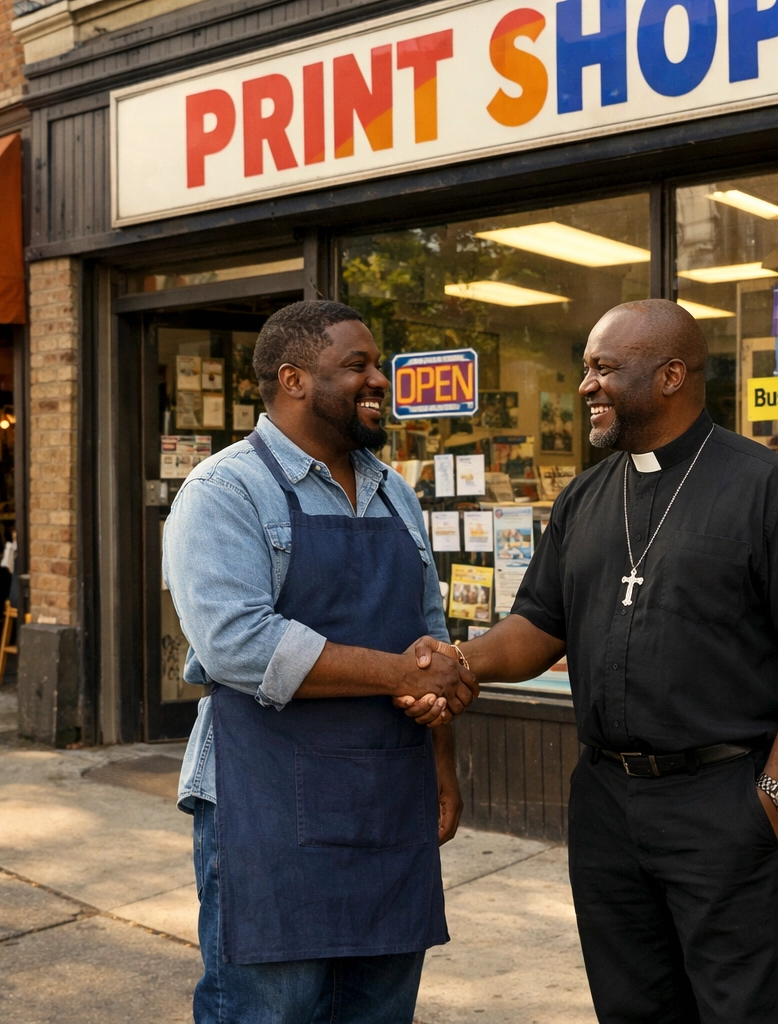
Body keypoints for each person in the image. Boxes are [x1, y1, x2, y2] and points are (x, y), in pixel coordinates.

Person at [411, 299, 778, 1023]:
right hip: (606, 804)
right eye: (585, 369)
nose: (585, 386)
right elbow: (538, 625)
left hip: (724, 798)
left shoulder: (767, 488)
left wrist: (775, 796)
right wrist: (460, 660)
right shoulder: (587, 496)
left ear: (671, 376)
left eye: (603, 369)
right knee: (631, 1006)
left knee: (743, 1009)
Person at [164, 300, 477, 1024]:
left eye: (378, 363)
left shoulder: (395, 491)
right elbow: (237, 641)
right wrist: (401, 673)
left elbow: (426, 637)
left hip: (389, 801)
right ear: (294, 379)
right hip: (265, 806)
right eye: (358, 366)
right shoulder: (225, 489)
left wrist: (442, 763)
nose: (379, 379)